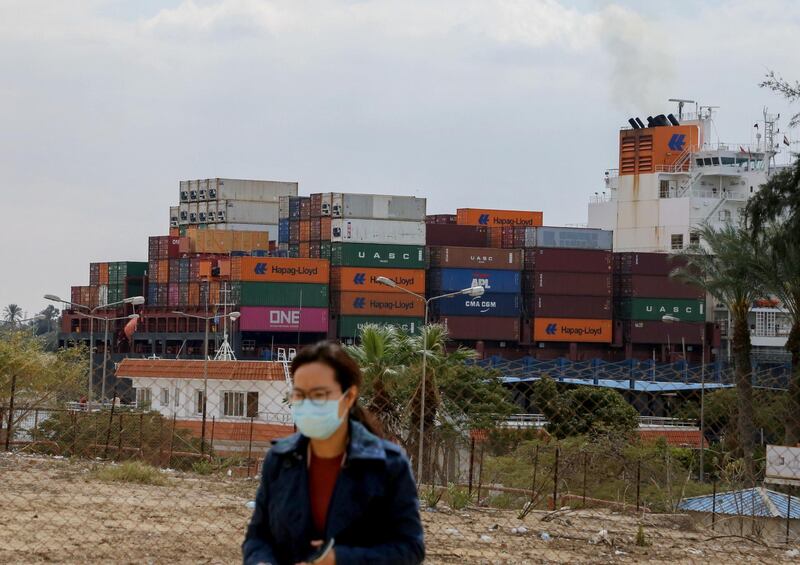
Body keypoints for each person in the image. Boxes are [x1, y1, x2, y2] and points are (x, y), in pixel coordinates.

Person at [243, 340, 425, 565]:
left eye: (319, 395)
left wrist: (339, 559)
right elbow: (258, 537)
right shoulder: (280, 460)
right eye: (299, 394)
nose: (308, 404)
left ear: (349, 397)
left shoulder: (388, 464)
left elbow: (410, 548)